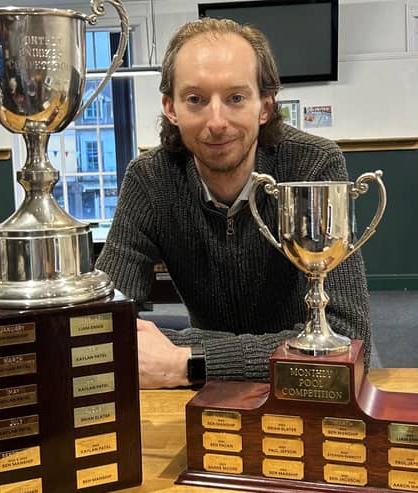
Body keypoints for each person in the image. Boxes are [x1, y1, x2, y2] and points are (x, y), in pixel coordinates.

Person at [95, 18, 371, 389]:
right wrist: (271, 354)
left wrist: (186, 359)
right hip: (210, 398)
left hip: (303, 393)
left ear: (265, 105)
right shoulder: (150, 179)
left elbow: (348, 342)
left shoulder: (313, 164)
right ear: (170, 107)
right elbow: (102, 331)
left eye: (235, 98)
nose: (216, 121)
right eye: (195, 99)